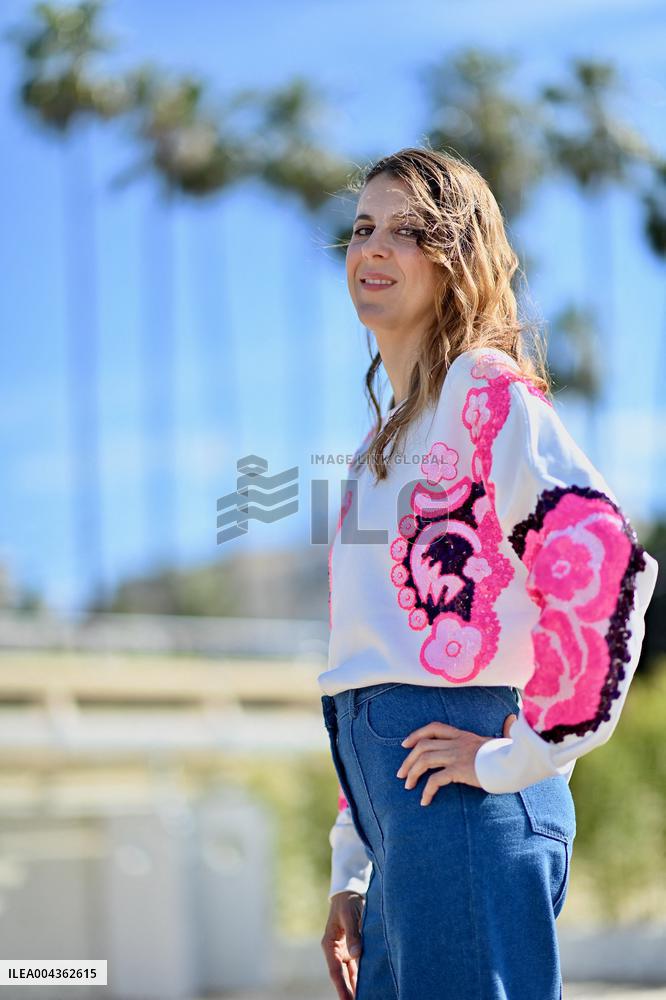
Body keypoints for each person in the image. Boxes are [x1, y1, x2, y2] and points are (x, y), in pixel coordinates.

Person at [318, 146, 659, 1000]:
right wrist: (352, 868)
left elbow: (601, 554)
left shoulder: (485, 387)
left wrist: (526, 754)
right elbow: (370, 653)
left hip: (465, 804)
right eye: (364, 228)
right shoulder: (374, 448)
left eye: (408, 230)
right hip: (402, 819)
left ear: (457, 257)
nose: (374, 248)